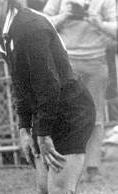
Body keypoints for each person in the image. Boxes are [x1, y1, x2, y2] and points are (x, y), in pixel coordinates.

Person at [0, 0, 96, 194]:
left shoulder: (29, 27)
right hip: (47, 111)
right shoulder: (2, 30)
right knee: (45, 191)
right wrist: (24, 129)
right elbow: (21, 83)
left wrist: (42, 133)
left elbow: (48, 85)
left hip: (70, 111)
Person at [43, 0, 117, 183]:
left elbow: (116, 28)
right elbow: (42, 22)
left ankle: (93, 168)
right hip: (67, 62)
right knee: (67, 115)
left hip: (96, 62)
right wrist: (65, 15)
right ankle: (68, 167)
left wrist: (97, 22)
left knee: (96, 116)